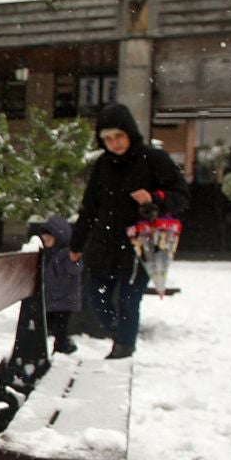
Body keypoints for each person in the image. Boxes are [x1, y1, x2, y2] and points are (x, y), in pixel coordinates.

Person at [70, 103, 188, 360]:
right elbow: (89, 207)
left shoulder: (154, 159)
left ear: (130, 133)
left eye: (119, 136)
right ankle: (121, 332)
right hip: (104, 245)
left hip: (141, 245)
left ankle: (123, 348)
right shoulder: (102, 165)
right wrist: (77, 244)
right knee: (96, 298)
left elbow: (181, 195)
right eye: (108, 138)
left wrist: (155, 199)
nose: (114, 143)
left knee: (129, 299)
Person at [38, 215, 82, 355]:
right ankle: (61, 346)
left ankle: (63, 347)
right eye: (44, 240)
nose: (46, 243)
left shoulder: (67, 254)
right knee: (49, 325)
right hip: (51, 298)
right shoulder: (47, 254)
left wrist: (73, 260)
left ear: (59, 237)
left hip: (65, 299)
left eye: (49, 240)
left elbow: (76, 269)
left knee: (59, 327)